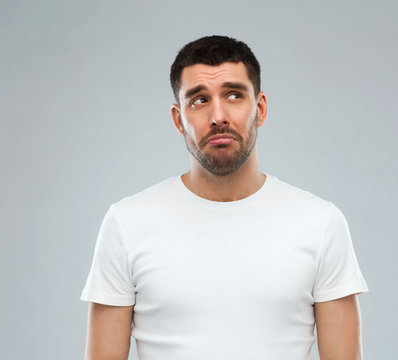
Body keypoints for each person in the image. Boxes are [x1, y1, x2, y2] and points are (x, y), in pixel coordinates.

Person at [80, 35, 369, 360]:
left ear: (259, 109)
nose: (218, 115)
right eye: (199, 100)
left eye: (233, 95)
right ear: (179, 120)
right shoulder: (126, 223)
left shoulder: (320, 224)